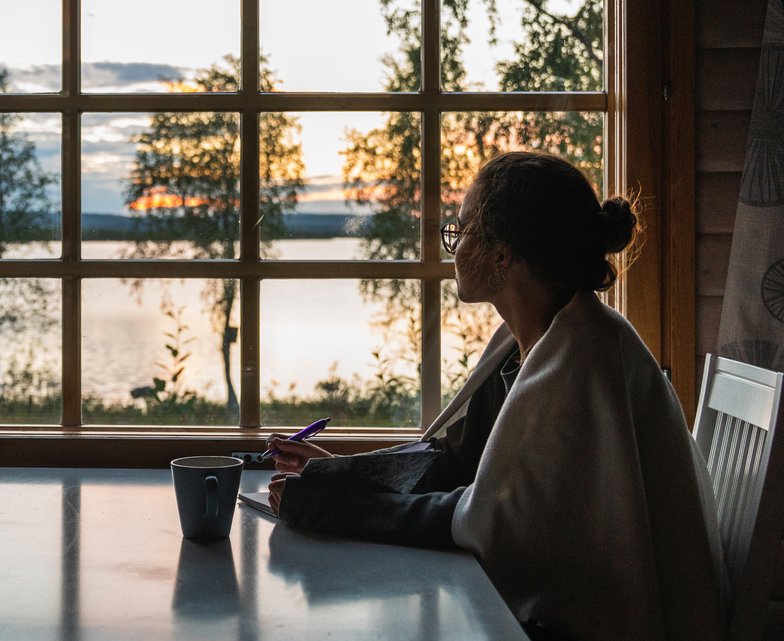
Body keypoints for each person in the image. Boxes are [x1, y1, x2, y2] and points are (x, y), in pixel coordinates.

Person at [265, 152, 728, 641]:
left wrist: (328, 506)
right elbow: (457, 460)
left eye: (462, 230)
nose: (454, 246)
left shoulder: (580, 364)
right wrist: (340, 473)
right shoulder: (532, 341)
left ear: (502, 255)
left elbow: (487, 524)